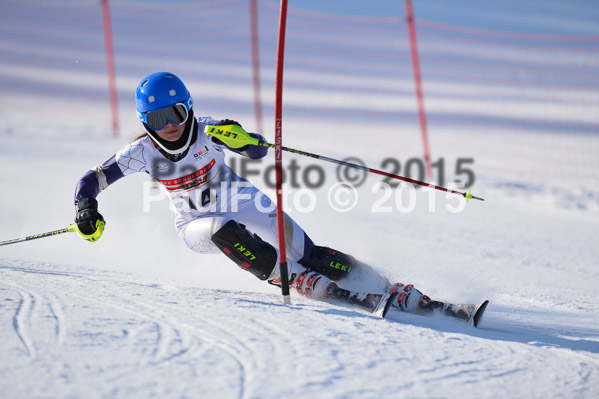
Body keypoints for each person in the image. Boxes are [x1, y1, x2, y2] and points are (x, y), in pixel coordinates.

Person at [73, 71, 451, 317]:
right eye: (158, 119)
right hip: (195, 224)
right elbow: (92, 180)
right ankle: (287, 278)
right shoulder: (140, 152)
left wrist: (243, 140)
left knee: (307, 252)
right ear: (145, 122)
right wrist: (85, 208)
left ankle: (386, 288)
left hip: (243, 198)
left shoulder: (208, 130)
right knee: (224, 228)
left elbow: (255, 150)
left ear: (188, 108)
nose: (170, 125)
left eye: (175, 113)